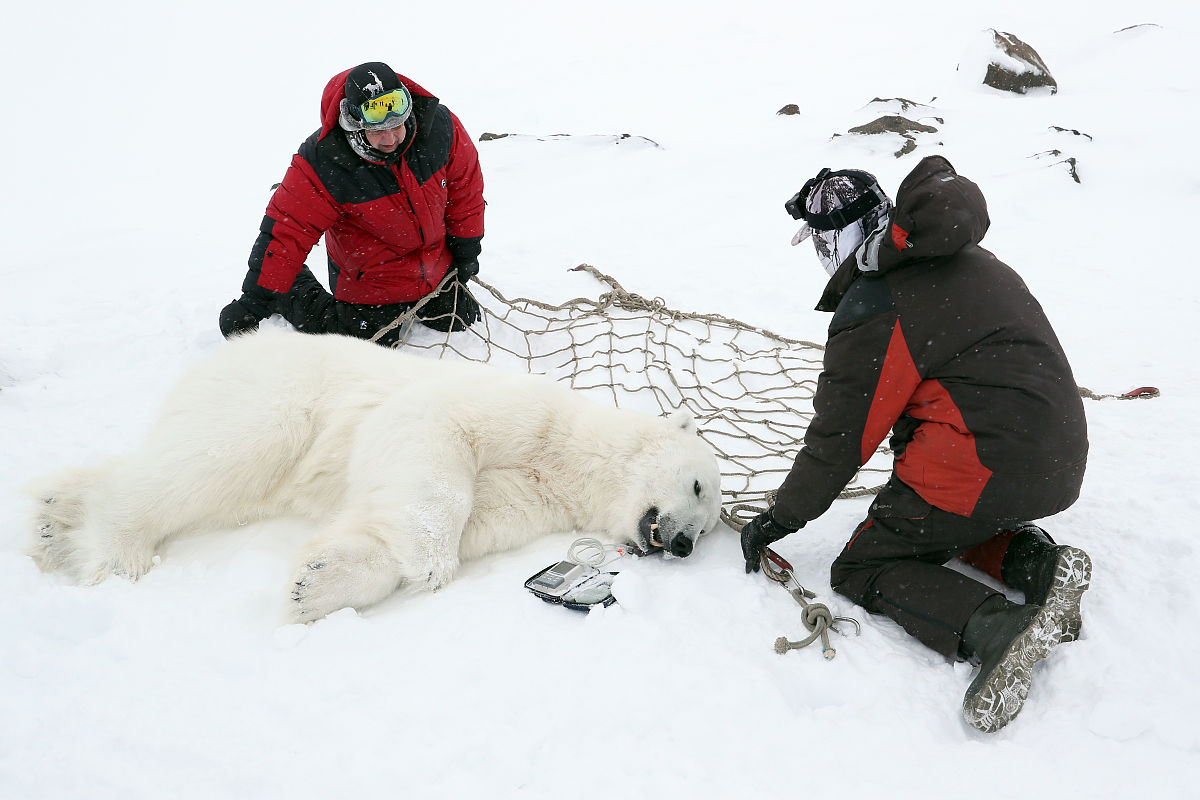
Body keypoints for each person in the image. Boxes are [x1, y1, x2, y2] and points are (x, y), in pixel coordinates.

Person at [739, 155, 1092, 733]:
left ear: (838, 240)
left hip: (986, 467)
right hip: (1057, 458)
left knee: (863, 564)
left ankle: (997, 628)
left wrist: (780, 518)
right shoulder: (967, 258)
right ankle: (1042, 566)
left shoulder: (876, 303)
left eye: (820, 243)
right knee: (939, 523)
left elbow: (839, 440)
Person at [218, 62, 486, 344]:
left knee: (461, 319)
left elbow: (465, 194)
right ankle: (290, 292)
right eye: (377, 130)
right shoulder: (324, 159)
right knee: (365, 345)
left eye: (396, 125)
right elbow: (288, 230)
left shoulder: (439, 127)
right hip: (372, 281)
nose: (390, 138)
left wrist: (466, 251)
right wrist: (255, 300)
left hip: (436, 267)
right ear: (354, 121)